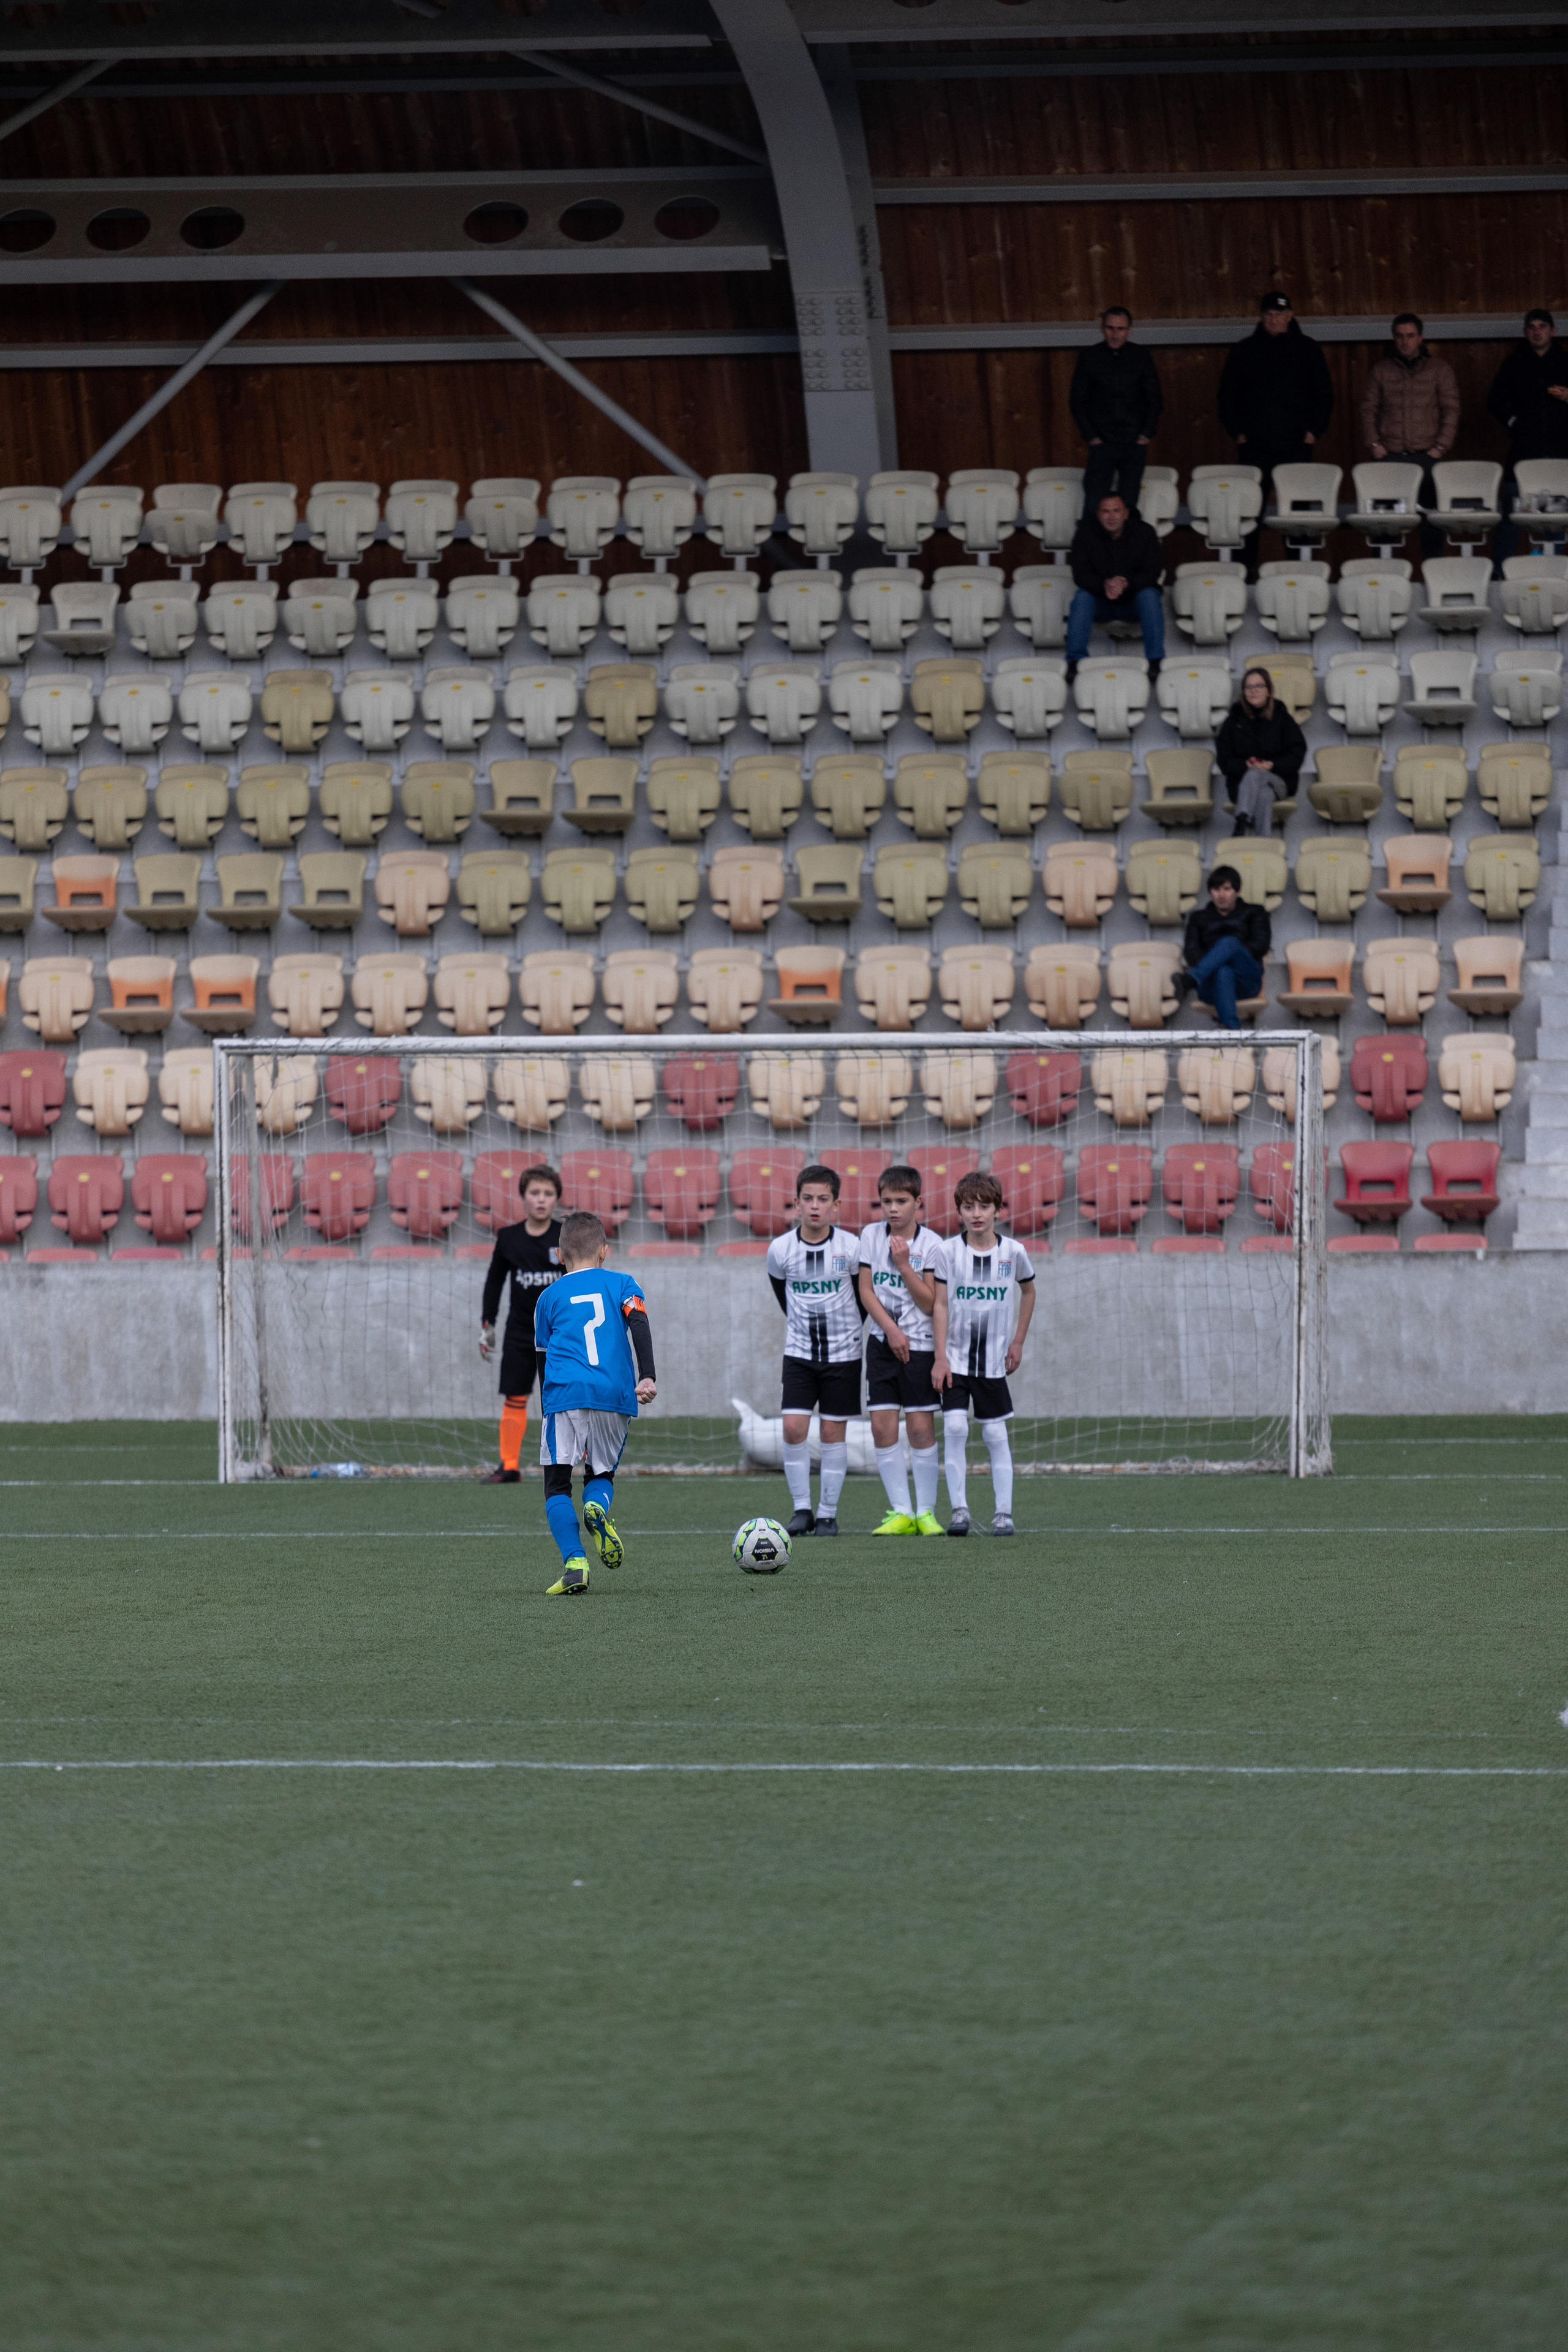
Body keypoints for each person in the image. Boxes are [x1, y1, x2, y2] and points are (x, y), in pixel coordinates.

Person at [529, 1210, 656, 1597]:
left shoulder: (548, 1298)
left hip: (564, 1394)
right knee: (600, 1476)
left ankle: (575, 1564)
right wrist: (647, 1376)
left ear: (558, 1255)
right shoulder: (623, 1283)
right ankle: (597, 1506)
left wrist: (547, 1405)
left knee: (557, 1485)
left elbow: (542, 1357)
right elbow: (639, 1324)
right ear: (605, 1251)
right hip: (614, 1394)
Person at [929, 1173, 1035, 1541]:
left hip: (992, 1363)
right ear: (958, 1210)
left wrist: (1018, 1341)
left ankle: (1003, 1514)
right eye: (969, 1207)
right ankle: (959, 1511)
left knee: (994, 1433)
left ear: (998, 1210)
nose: (977, 1214)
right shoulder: (946, 1252)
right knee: (955, 1428)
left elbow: (1029, 1293)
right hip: (955, 1361)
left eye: (984, 1207)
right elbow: (940, 1304)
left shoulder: (1014, 1252)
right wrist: (939, 1356)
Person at [765, 1164, 864, 1539]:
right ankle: (802, 1510)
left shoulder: (851, 1247)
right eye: (808, 1199)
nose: (815, 1206)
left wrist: (850, 1331)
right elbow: (782, 1296)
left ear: (836, 1205)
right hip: (800, 1354)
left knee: (833, 1433)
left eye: (823, 1199)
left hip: (844, 1354)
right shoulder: (781, 1249)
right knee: (793, 1429)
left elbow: (862, 1295)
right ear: (797, 1203)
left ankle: (827, 1514)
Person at [1216, 292, 1335, 574]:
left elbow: (1324, 396)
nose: (1274, 320)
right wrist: (1238, 433)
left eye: (1280, 314)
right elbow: (1226, 397)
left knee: (1297, 516)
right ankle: (1243, 576)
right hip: (1254, 447)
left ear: (1291, 316)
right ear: (1261, 317)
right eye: (1269, 314)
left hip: (1295, 447)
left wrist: (1313, 432)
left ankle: (1300, 573)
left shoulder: (1307, 349)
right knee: (1248, 513)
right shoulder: (1244, 351)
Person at [856, 1165, 946, 1537]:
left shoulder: (933, 1244)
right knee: (881, 1427)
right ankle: (901, 1513)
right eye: (886, 1202)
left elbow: (929, 1303)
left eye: (901, 1201)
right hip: (882, 1345)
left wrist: (904, 1264)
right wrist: (890, 1329)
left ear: (918, 1203)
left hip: (922, 1349)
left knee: (922, 1429)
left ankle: (926, 1513)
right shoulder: (870, 1235)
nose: (893, 1209)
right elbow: (865, 1289)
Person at [477, 1163, 564, 1483]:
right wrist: (488, 1325)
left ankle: (578, 1461)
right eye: (535, 1193)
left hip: (561, 1335)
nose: (541, 1199)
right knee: (515, 1396)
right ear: (523, 1197)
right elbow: (494, 1282)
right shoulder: (509, 1238)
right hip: (519, 1333)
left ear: (556, 1199)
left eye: (548, 1194)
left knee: (565, 1399)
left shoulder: (565, 1237)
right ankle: (509, 1465)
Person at [1359, 312, 1460, 559]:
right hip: (1389, 458)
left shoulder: (1439, 369)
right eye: (1400, 336)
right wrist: (1374, 443)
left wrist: (1440, 447)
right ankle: (1384, 578)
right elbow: (1368, 407)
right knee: (1384, 527)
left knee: (1432, 526)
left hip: (1426, 456)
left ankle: (1432, 578)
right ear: (1394, 338)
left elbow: (1452, 409)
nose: (1405, 341)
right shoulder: (1381, 370)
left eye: (1410, 336)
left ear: (1421, 338)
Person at [1487, 307, 1568, 567]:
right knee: (1512, 515)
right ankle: (1500, 575)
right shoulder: (1513, 363)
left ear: (1553, 331)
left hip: (1559, 452)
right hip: (1523, 451)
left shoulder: (1565, 362)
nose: (1537, 332)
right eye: (1532, 327)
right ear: (1525, 333)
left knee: (1556, 518)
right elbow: (1495, 400)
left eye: (1542, 326)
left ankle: (1552, 572)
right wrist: (1514, 422)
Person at [1069, 306, 1163, 516]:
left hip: (1134, 442)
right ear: (1102, 329)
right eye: (1110, 328)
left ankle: (1127, 549)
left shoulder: (1141, 356)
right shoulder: (1089, 357)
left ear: (1130, 330)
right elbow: (1077, 400)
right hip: (1102, 443)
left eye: (1121, 329)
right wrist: (1092, 436)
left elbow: (1154, 399)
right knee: (1094, 503)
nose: (1115, 334)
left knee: (1129, 506)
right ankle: (1093, 548)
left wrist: (1145, 435)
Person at [1064, 489, 1166, 671]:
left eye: (1116, 511)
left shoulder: (1145, 532)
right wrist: (1105, 585)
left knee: (1150, 595)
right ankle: (1076, 661)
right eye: (1106, 511)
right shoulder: (1085, 534)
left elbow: (1152, 572)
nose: (1111, 517)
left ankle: (1156, 661)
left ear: (1126, 514)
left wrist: (1126, 584)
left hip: (1133, 601)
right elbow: (1080, 574)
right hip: (1102, 601)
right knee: (1082, 597)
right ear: (1098, 514)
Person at [1175, 864, 1272, 1033]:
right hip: (1210, 986)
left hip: (1247, 981)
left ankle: (1191, 980)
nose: (1221, 895)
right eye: (1216, 889)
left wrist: (1230, 952)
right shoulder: (1198, 918)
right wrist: (1219, 960)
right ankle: (1232, 1030)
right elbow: (1191, 953)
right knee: (1223, 970)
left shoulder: (1255, 912)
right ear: (1210, 892)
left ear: (1238, 891)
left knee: (1229, 943)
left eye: (1227, 889)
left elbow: (1261, 945)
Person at [1215, 664, 1305, 837]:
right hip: (1242, 786)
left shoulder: (1282, 718)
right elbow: (1224, 759)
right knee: (1264, 795)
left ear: (1269, 691)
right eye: (1249, 687)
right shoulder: (1233, 721)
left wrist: (1272, 765)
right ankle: (1263, 842)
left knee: (1256, 775)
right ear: (1243, 692)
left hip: (1279, 780)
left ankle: (1242, 818)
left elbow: (1297, 753)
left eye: (1259, 686)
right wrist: (1245, 766)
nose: (1253, 691)